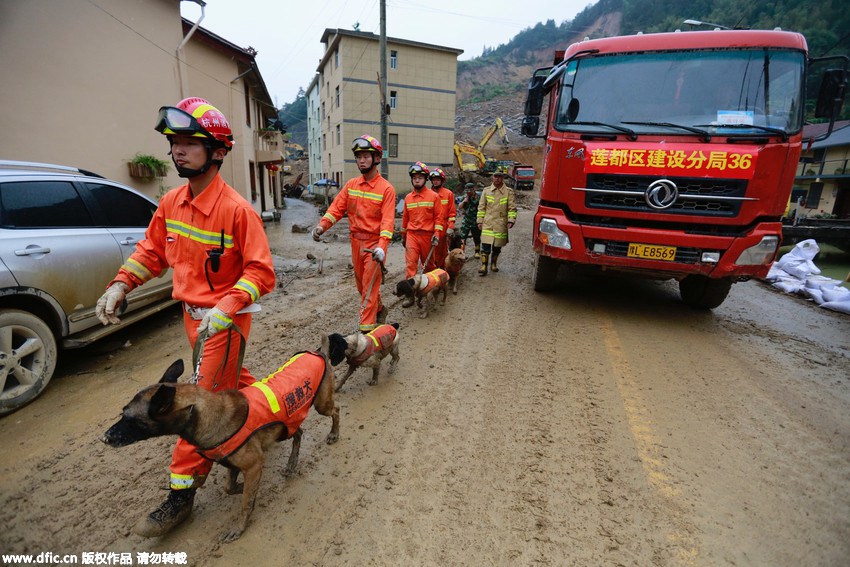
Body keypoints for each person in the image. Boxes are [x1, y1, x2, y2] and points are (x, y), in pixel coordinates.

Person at [94, 97, 276, 536]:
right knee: (230, 384)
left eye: (189, 143)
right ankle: (275, 414)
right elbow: (152, 252)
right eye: (173, 143)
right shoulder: (172, 202)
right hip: (192, 317)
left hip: (224, 323)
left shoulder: (236, 210)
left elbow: (261, 272)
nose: (177, 151)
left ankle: (181, 494)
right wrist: (121, 284)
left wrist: (226, 309)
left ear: (216, 150)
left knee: (194, 405)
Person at [312, 135, 396, 332]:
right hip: (355, 243)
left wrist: (382, 247)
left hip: (374, 247)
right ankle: (380, 308)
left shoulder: (387, 189)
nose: (361, 160)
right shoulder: (351, 185)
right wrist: (322, 226)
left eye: (366, 156)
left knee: (368, 289)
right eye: (358, 157)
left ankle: (366, 331)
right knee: (362, 287)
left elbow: (388, 222)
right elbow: (336, 209)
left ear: (376, 158)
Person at [401, 162, 443, 284]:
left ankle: (430, 288)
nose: (417, 180)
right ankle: (411, 293)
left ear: (425, 179)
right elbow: (405, 219)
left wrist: (437, 234)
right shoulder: (408, 198)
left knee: (429, 265)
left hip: (427, 236)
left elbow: (438, 219)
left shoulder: (434, 197)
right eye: (414, 178)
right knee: (411, 265)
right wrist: (404, 237)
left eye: (420, 178)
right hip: (412, 235)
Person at [477, 171, 517, 276]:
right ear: (492, 178)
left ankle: (493, 264)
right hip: (488, 222)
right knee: (485, 245)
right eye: (495, 177)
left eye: (499, 177)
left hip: (501, 223)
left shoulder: (509, 192)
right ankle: (484, 266)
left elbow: (512, 208)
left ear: (502, 178)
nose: (497, 179)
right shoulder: (486, 191)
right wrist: (480, 221)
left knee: (497, 246)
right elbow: (481, 208)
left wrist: (511, 220)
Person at [428, 167, 456, 268]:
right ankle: (432, 270)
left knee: (443, 250)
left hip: (444, 227)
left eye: (437, 180)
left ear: (442, 180)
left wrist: (450, 226)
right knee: (430, 251)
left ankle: (442, 270)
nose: (435, 182)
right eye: (434, 180)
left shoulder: (448, 194)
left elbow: (452, 212)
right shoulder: (427, 194)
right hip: (430, 226)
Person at [458, 182, 482, 258]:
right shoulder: (465, 197)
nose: (468, 192)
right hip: (466, 220)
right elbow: (459, 207)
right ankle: (462, 253)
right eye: (466, 191)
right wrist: (464, 201)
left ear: (473, 189)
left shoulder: (479, 197)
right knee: (462, 237)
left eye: (470, 190)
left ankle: (477, 251)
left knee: (476, 237)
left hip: (476, 220)